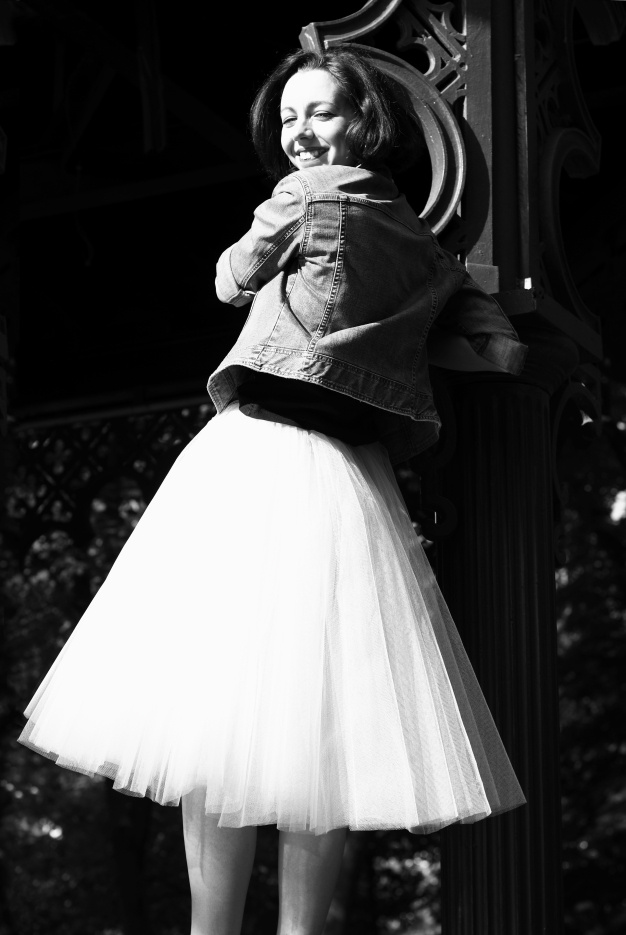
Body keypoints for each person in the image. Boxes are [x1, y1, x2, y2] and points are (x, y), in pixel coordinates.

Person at [19, 47, 527, 935]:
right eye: (290, 117)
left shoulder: (305, 196)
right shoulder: (419, 241)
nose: (299, 132)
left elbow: (231, 279)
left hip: (260, 456)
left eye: (319, 112)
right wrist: (496, 347)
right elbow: (477, 320)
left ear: (365, 122)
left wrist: (271, 231)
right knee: (318, 734)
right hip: (351, 477)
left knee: (217, 715)